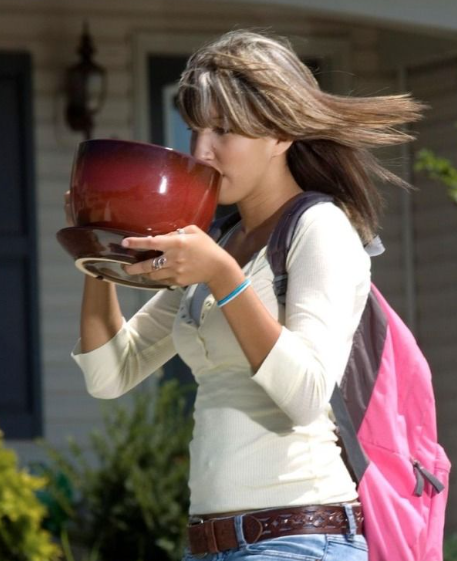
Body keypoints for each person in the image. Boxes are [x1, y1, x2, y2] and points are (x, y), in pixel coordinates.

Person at [67, 30, 425, 561]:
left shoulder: (319, 229)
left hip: (301, 538)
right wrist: (99, 246)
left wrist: (223, 277)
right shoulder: (218, 244)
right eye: (195, 129)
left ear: (280, 133)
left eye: (224, 130)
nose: (201, 151)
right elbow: (110, 374)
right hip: (209, 544)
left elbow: (306, 395)